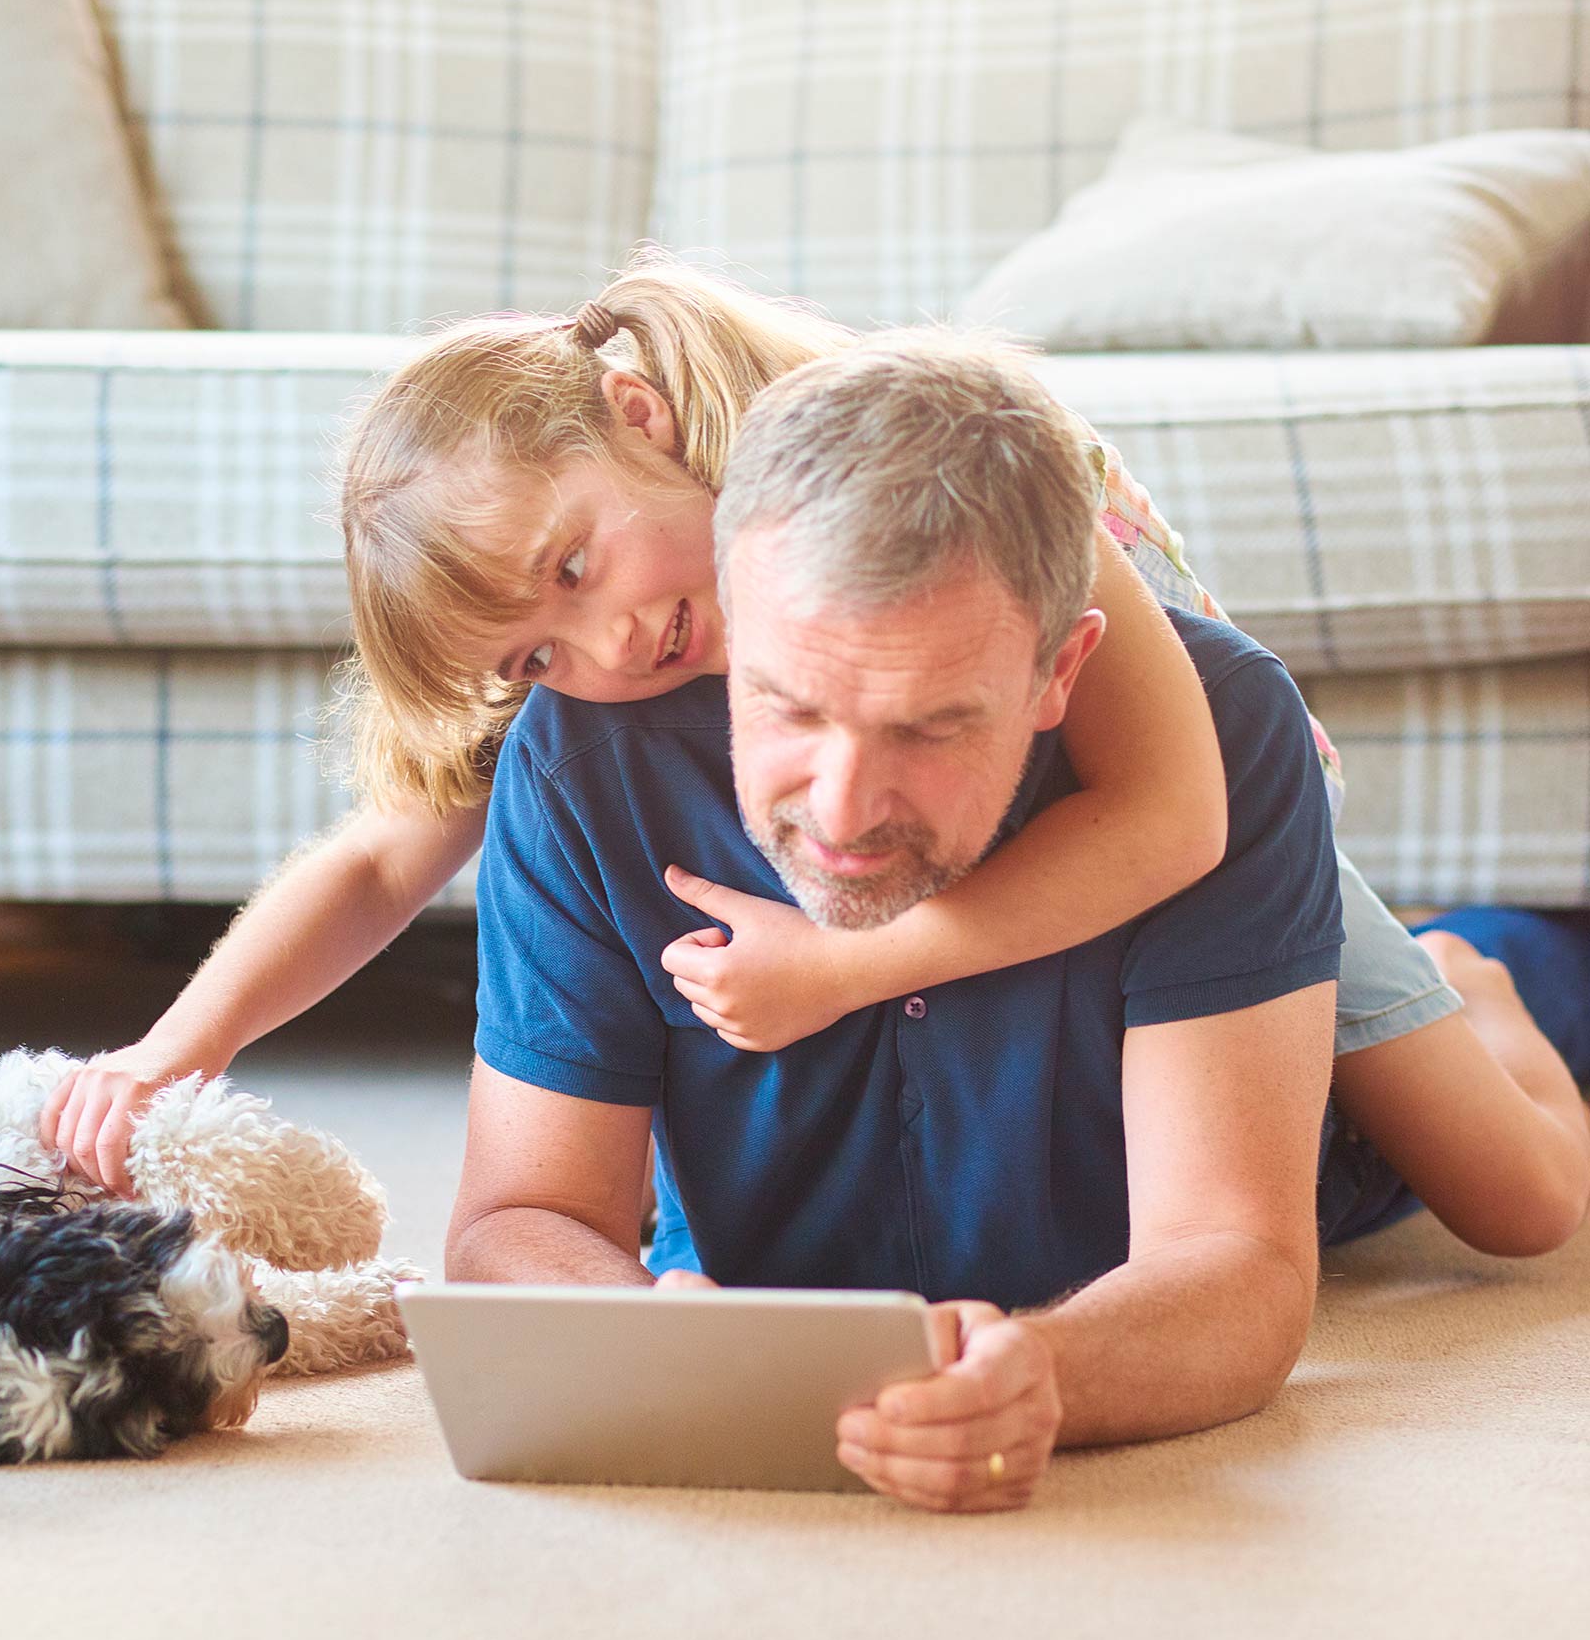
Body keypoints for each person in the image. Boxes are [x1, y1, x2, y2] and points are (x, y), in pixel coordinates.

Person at [42, 256, 1579, 1271]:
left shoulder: (946, 470)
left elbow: (1174, 816)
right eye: (536, 655)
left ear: (639, 416)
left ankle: (1481, 982)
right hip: (1024, 831)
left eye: (577, 562)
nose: (606, 644)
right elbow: (387, 854)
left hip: (1201, 809)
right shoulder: (609, 662)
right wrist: (172, 1049)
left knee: (1520, 1200)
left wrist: (840, 974)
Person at [444, 331, 1590, 1510]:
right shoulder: (580, 754)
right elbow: (516, 1217)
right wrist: (634, 1328)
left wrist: (1048, 1370)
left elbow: (1237, 1263)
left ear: (1060, 672)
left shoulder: (1222, 730)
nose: (839, 812)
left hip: (1335, 1123)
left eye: (930, 727)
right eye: (786, 707)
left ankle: (1475, 972)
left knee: (1526, 1201)